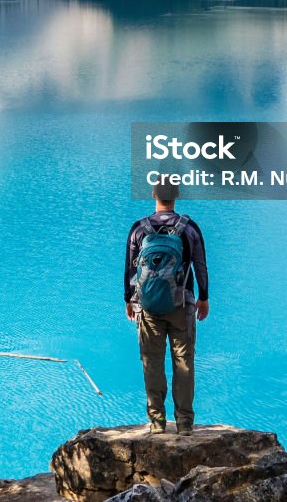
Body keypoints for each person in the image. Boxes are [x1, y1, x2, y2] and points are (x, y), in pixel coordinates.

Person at [124, 184, 209, 435]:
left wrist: (129, 299)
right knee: (183, 362)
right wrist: (203, 297)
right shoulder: (189, 228)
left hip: (148, 306)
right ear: (177, 196)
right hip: (182, 304)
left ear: (153, 195)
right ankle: (184, 423)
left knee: (152, 361)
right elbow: (200, 265)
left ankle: (157, 422)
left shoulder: (140, 228)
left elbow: (129, 268)